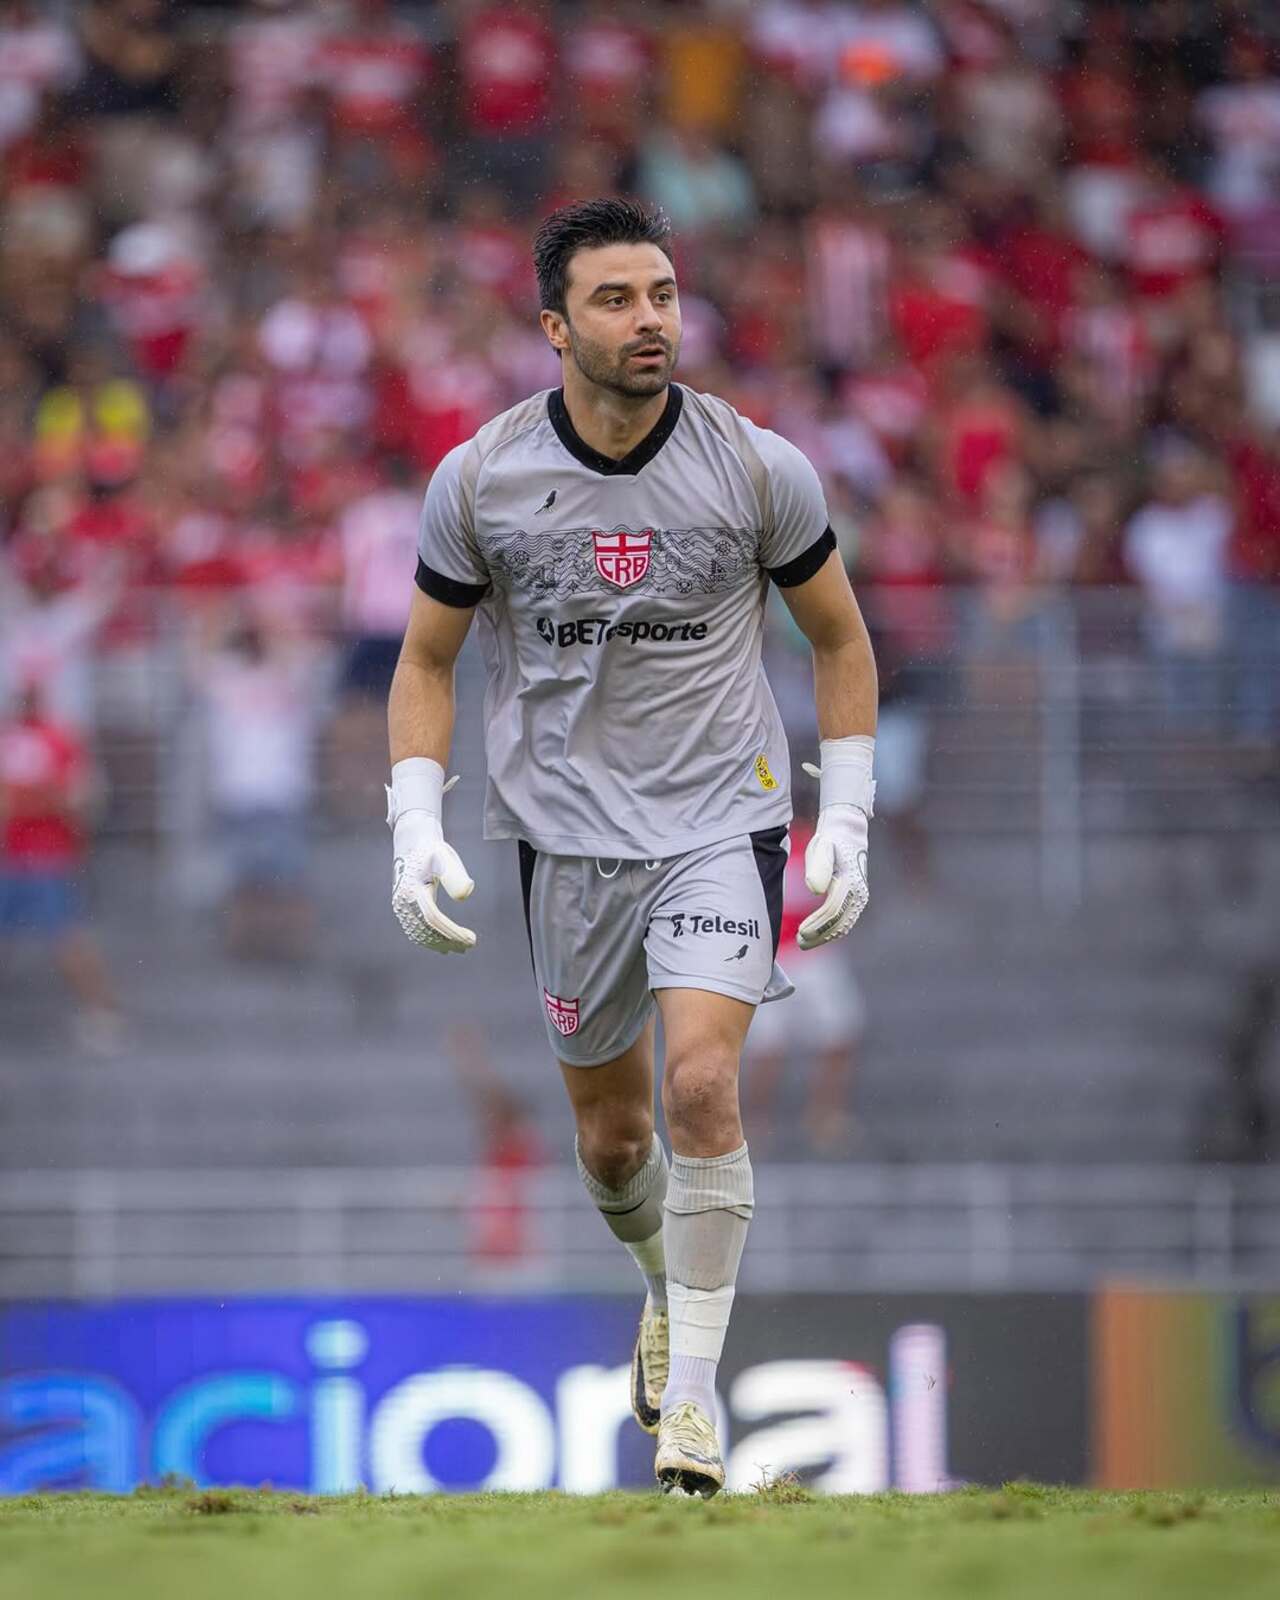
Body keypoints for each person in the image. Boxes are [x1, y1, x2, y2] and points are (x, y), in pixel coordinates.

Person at [385, 199, 878, 1496]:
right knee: (612, 1146)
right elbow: (427, 660)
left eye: (662, 293)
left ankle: (696, 1410)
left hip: (723, 815)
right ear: (554, 327)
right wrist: (412, 824)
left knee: (703, 1089)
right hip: (565, 841)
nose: (650, 317)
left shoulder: (756, 466)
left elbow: (839, 639)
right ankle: (664, 1285)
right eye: (616, 299)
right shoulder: (482, 481)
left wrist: (853, 823)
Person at [0, 680, 123, 1055]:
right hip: (9, 857)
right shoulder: (6, 737)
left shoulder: (61, 739)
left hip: (47, 857)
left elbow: (81, 798)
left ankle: (104, 1015)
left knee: (68, 940)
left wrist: (26, 801)